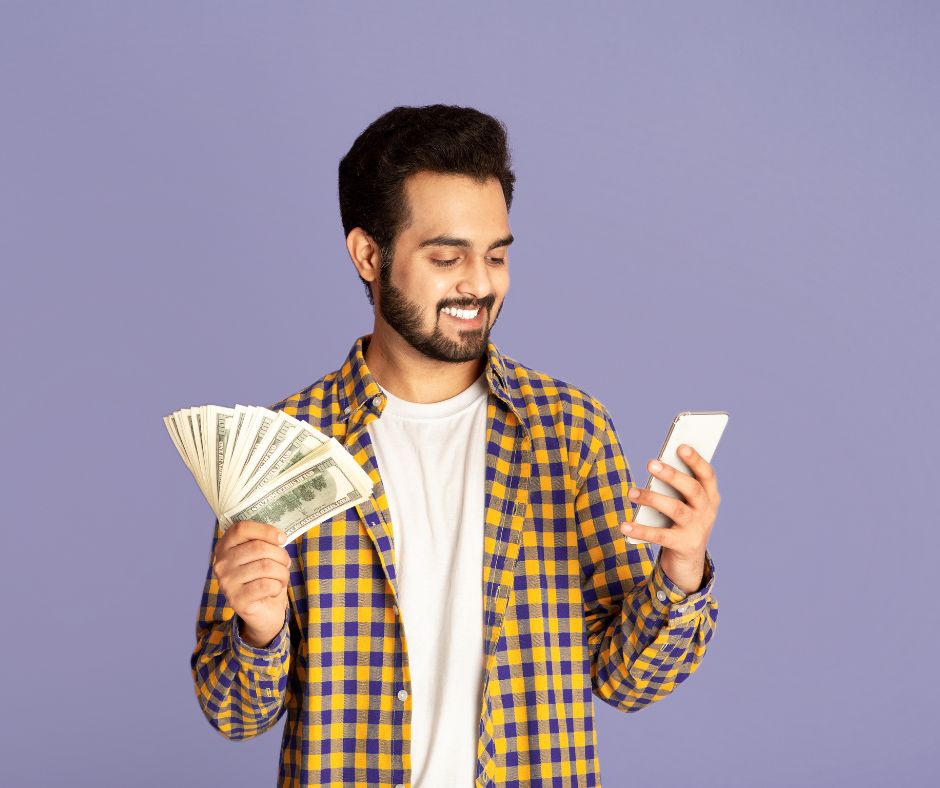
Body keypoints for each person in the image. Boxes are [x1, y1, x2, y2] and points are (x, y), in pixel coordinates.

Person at [191, 104, 722, 788]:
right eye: (447, 257)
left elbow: (625, 681)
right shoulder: (283, 444)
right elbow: (233, 714)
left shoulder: (570, 430)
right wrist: (260, 632)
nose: (479, 283)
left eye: (496, 255)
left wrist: (681, 573)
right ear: (368, 255)